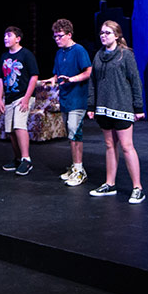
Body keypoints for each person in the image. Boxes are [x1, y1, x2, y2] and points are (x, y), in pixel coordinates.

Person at [86, 21, 146, 204]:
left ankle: (138, 188)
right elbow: (93, 82)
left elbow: (135, 81)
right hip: (103, 108)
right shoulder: (98, 55)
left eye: (108, 33)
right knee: (110, 145)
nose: (104, 36)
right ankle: (109, 184)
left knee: (127, 146)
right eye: (102, 33)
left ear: (117, 35)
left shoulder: (125, 55)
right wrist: (91, 106)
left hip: (121, 107)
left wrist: (138, 107)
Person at [40, 19, 92, 187]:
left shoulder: (79, 50)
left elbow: (88, 71)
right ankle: (74, 166)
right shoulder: (59, 53)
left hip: (77, 98)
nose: (57, 39)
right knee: (70, 135)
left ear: (69, 35)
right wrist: (51, 80)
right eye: (54, 36)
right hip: (65, 99)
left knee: (75, 133)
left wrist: (72, 79)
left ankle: (79, 170)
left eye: (60, 36)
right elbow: (57, 74)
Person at [0, 26, 39, 176]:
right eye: (4, 36)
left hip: (23, 96)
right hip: (9, 97)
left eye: (9, 35)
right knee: (10, 130)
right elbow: (1, 78)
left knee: (19, 126)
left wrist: (27, 98)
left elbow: (34, 76)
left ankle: (26, 159)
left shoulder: (26, 55)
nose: (5, 38)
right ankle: (17, 158)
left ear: (18, 38)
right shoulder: (4, 56)